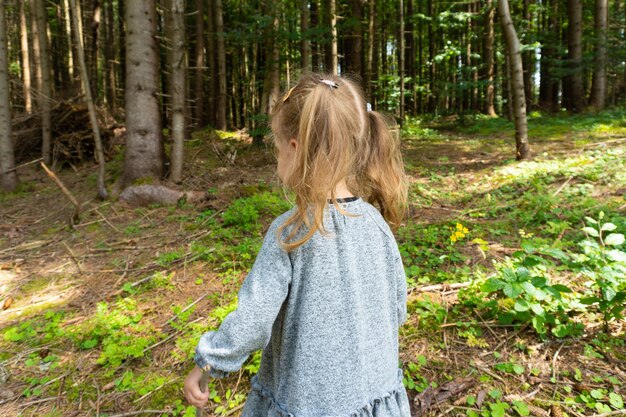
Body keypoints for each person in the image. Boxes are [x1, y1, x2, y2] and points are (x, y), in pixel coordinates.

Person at [184, 73, 411, 417]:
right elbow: (397, 308)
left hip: (307, 403)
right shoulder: (375, 224)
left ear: (294, 148)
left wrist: (208, 361)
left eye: (276, 149)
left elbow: (253, 320)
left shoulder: (291, 233)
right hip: (370, 395)